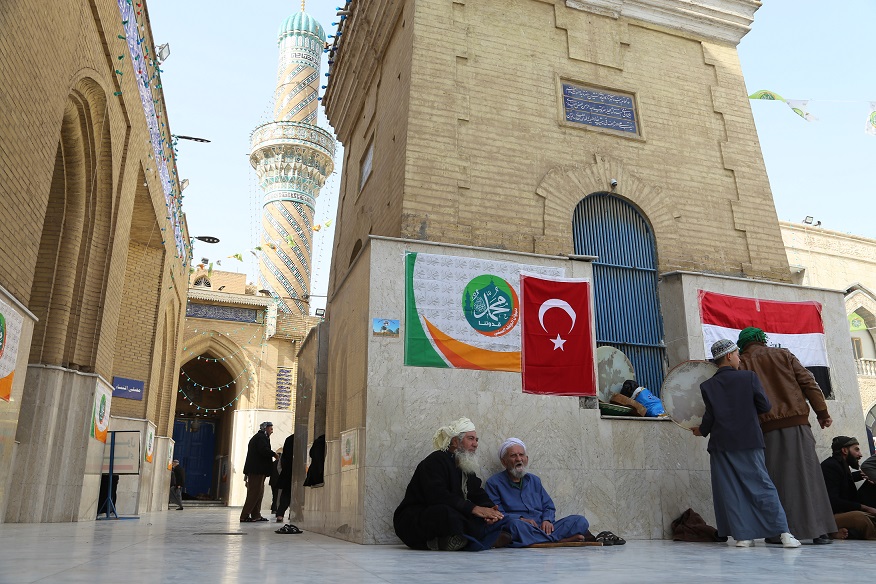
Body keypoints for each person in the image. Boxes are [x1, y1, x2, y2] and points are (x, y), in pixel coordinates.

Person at [691, 339, 800, 548]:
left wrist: (701, 431)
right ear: (730, 356)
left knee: (731, 490)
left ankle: (743, 536)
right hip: (749, 440)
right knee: (762, 485)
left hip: (721, 444)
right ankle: (784, 533)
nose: (739, 358)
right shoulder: (748, 378)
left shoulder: (708, 386)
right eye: (738, 354)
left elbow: (710, 417)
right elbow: (765, 406)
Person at [737, 326, 837, 544]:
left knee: (778, 481)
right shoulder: (783, 354)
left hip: (765, 430)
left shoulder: (742, 363)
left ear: (742, 344)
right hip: (799, 425)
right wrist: (823, 413)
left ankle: (779, 532)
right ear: (761, 339)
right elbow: (809, 383)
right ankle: (820, 532)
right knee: (810, 478)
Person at [393, 417, 511, 551]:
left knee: (497, 518)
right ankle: (477, 538)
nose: (476, 444)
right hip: (415, 520)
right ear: (455, 441)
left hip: (452, 516)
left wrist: (490, 510)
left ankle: (460, 539)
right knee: (446, 513)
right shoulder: (435, 461)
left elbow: (477, 493)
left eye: (476, 440)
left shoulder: (466, 465)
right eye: (471, 439)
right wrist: (474, 508)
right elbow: (438, 496)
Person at [485, 438, 624, 546]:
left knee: (580, 521)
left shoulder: (534, 481)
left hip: (542, 528)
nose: (519, 459)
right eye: (513, 456)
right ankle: (561, 540)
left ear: (526, 459)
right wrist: (521, 519)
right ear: (504, 462)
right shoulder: (494, 483)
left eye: (521, 455)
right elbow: (498, 515)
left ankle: (546, 540)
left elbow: (548, 506)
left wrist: (547, 519)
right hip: (522, 527)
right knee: (515, 527)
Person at [820, 436, 876, 540]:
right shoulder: (830, 466)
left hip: (844, 512)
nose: (860, 455)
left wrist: (861, 475)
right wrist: (865, 508)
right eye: (856, 449)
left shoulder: (841, 466)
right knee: (862, 519)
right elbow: (833, 501)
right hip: (830, 517)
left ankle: (845, 532)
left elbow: (843, 480)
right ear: (845, 450)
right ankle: (834, 531)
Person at [240, 421, 277, 522]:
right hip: (256, 470)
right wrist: (274, 454)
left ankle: (256, 515)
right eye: (271, 429)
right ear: (265, 428)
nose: (272, 431)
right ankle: (244, 515)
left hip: (259, 470)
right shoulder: (260, 438)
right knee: (254, 493)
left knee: (259, 493)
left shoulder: (261, 437)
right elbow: (263, 450)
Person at [275, 433, 295, 523]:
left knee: (286, 493)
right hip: (295, 470)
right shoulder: (300, 438)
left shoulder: (289, 439)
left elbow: (284, 457)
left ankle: (280, 514)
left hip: (287, 470)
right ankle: (295, 514)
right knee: (295, 494)